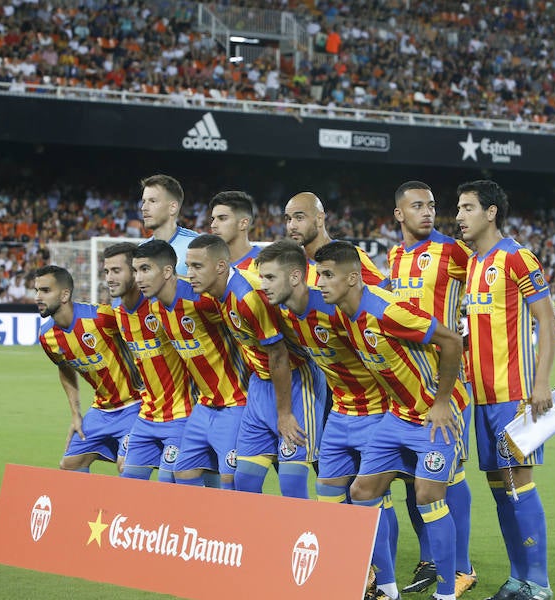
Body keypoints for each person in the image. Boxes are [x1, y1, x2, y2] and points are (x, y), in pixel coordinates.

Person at [315, 241, 465, 600]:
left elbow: (451, 340)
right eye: (319, 274)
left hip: (434, 414)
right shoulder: (343, 314)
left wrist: (443, 401)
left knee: (428, 497)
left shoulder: (387, 311)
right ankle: (387, 590)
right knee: (362, 492)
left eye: (328, 275)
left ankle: (446, 594)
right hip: (397, 416)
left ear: (353, 277)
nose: (320, 282)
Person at [255, 239, 398, 599]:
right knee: (331, 502)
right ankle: (352, 577)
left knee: (373, 503)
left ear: (295, 276)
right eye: (261, 278)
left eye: (270, 277)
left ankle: (386, 586)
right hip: (339, 415)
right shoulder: (284, 315)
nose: (264, 285)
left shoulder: (333, 308)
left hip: (377, 412)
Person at [455, 180, 555, 600]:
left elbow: (547, 322)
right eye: (458, 208)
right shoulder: (474, 263)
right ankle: (518, 578)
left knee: (519, 484)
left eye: (467, 208)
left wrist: (541, 382)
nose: (459, 216)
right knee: (501, 488)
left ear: (491, 212)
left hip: (514, 395)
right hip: (479, 398)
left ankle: (540, 584)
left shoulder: (516, 258)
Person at [186, 234, 326, 499]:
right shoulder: (216, 293)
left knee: (291, 483)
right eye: (188, 266)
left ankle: (305, 540)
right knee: (245, 481)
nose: (190, 274)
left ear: (220, 267)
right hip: (260, 385)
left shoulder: (247, 296)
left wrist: (284, 414)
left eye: (197, 267)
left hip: (295, 382)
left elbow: (279, 355)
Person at [389, 181, 476, 596]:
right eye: (418, 205)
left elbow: (485, 293)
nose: (428, 212)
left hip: (446, 387)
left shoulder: (453, 251)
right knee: (412, 480)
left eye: (432, 205)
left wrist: (469, 334)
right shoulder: (393, 257)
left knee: (450, 477)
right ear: (399, 214)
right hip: (407, 390)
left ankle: (462, 567)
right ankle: (430, 561)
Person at [136, 239, 249, 490]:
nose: (138, 278)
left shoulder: (202, 299)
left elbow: (243, 330)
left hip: (236, 401)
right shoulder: (155, 307)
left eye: (145, 270)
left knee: (232, 482)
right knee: (183, 474)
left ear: (167, 271)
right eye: (136, 271)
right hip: (204, 405)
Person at [103, 242, 196, 483]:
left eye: (116, 271)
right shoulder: (119, 313)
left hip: (181, 413)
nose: (109, 278)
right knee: (128, 478)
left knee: (172, 483)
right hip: (147, 415)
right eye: (107, 272)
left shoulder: (160, 306)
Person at [34, 265, 141, 473]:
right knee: (69, 465)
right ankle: (87, 507)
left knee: (127, 466)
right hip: (101, 410)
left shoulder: (100, 317)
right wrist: (76, 414)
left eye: (45, 291)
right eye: (36, 291)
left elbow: (137, 334)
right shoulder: (47, 336)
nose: (38, 297)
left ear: (65, 295)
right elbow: (64, 368)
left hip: (136, 404)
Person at [283, 191, 388, 287]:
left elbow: (386, 292)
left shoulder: (349, 255)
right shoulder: (293, 266)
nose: (292, 226)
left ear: (319, 219)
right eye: (288, 219)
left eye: (299, 218)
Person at [140, 174, 198, 275]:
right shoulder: (141, 249)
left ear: (173, 207)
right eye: (144, 201)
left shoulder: (197, 245)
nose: (144, 208)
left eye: (152, 201)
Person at [208, 190, 260, 272]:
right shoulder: (209, 265)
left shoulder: (264, 265)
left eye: (222, 218)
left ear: (243, 223)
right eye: (213, 219)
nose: (213, 225)